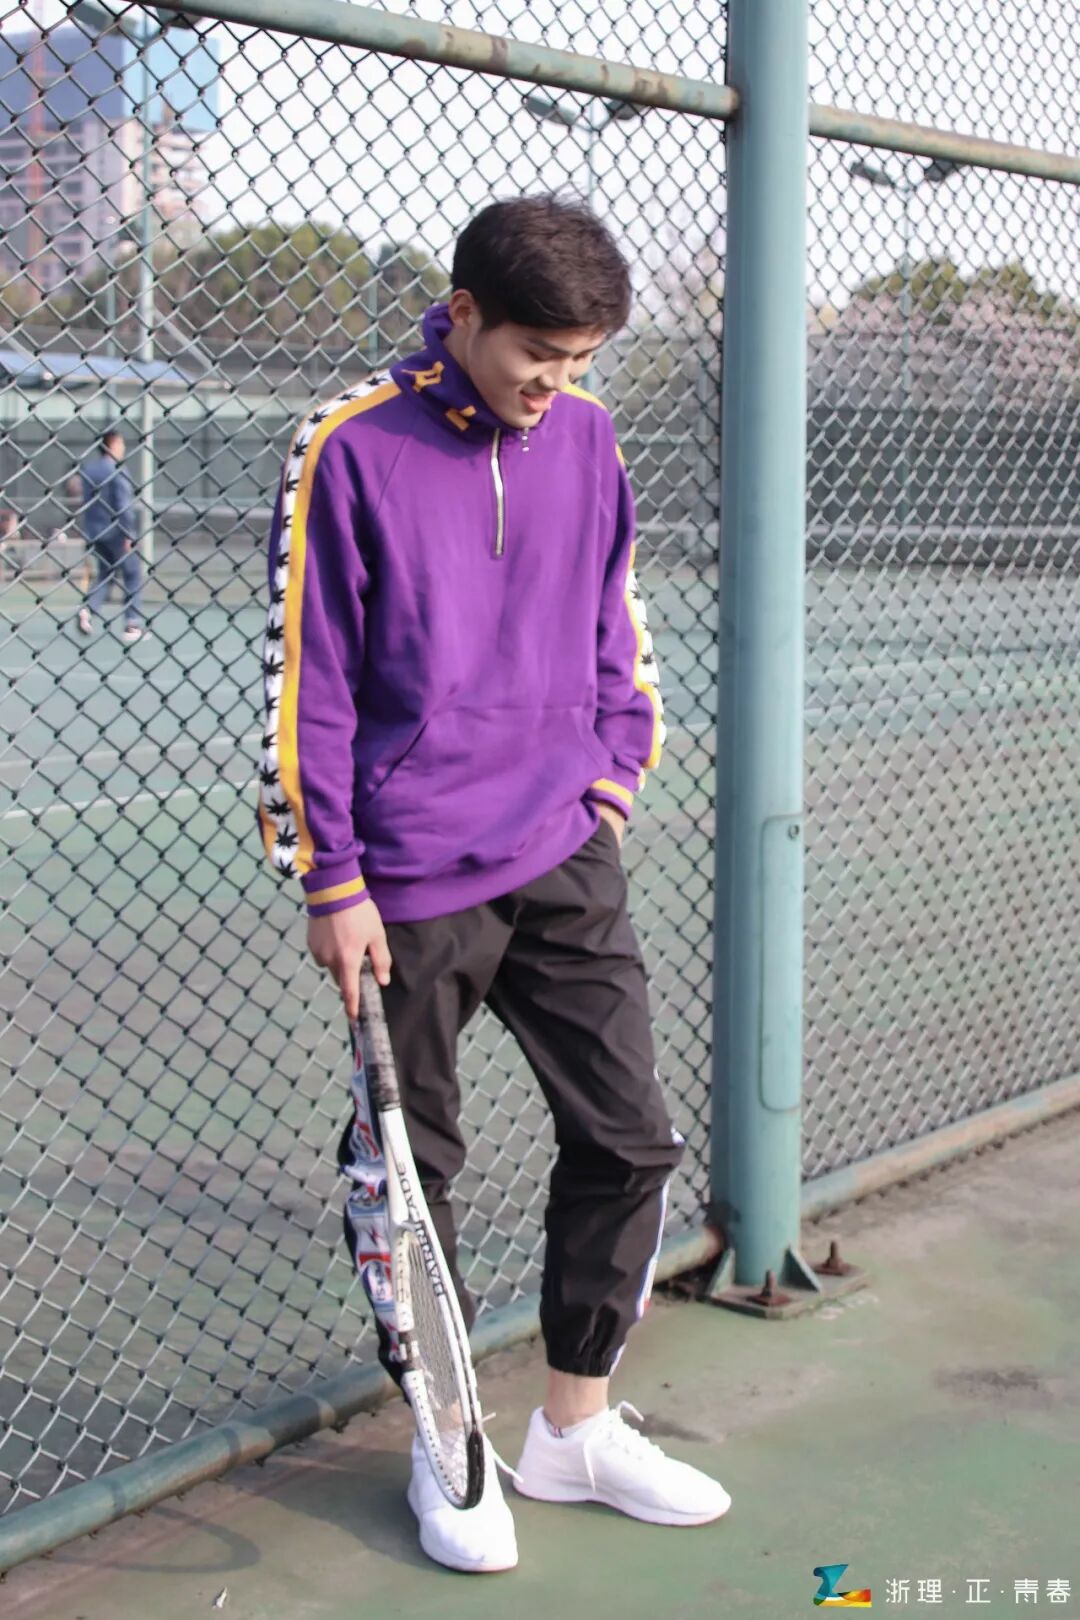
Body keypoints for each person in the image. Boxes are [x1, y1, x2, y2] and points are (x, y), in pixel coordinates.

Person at [257, 196, 731, 1575]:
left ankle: (573, 1426)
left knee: (631, 1136)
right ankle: (449, 1440)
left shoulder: (586, 437)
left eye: (580, 362)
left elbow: (617, 619)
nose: (555, 385)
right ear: (462, 314)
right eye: (537, 354)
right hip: (403, 881)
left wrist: (612, 776)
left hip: (561, 844)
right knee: (414, 1174)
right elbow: (308, 681)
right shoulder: (349, 446)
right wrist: (330, 878)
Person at [78, 429, 147, 642]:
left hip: (94, 531)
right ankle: (132, 624)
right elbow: (123, 505)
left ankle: (88, 610)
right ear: (113, 444)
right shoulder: (117, 470)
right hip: (116, 532)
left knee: (106, 574)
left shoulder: (89, 470)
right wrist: (129, 534)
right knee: (132, 574)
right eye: (121, 443)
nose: (123, 447)